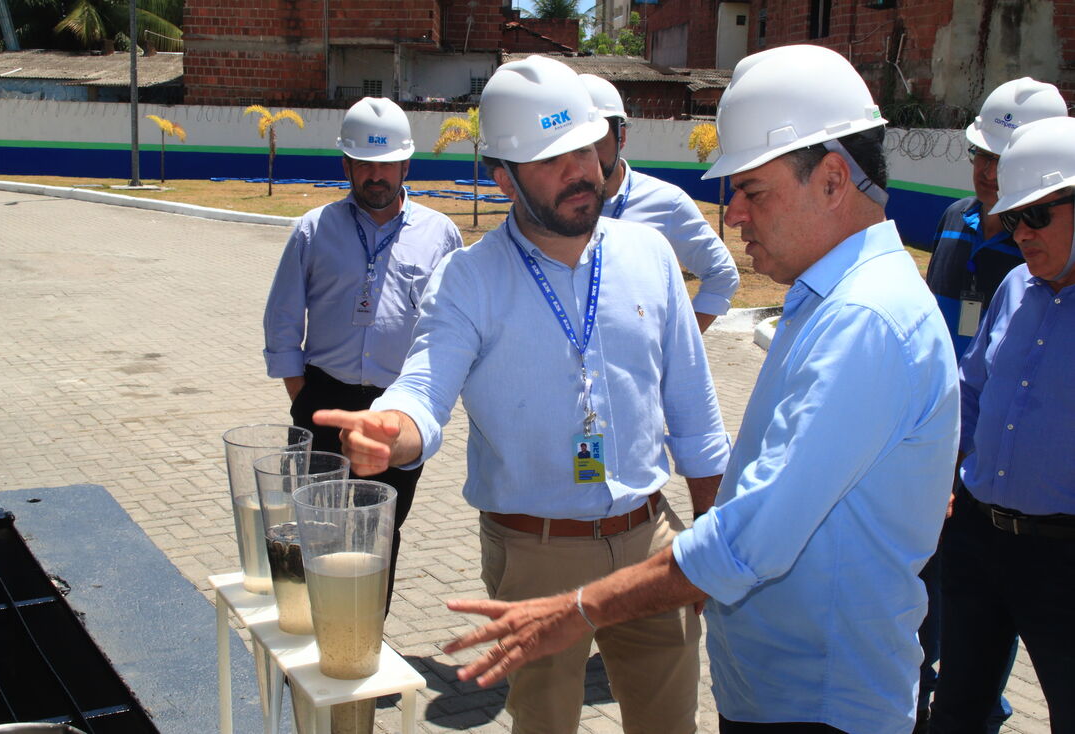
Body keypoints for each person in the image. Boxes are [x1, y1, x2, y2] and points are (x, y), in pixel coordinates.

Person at [444, 44, 959, 734]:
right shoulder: (832, 302)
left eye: (753, 190)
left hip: (818, 706)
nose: (735, 214)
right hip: (788, 694)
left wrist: (578, 609)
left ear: (834, 179)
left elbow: (751, 541)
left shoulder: (863, 322)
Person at [315, 55, 730, 734]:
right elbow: (425, 385)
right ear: (502, 176)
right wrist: (394, 427)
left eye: (585, 148)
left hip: (652, 540)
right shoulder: (469, 279)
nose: (579, 171)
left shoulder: (650, 255)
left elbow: (696, 417)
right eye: (550, 159)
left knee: (670, 725)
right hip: (536, 555)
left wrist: (708, 539)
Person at [262, 96, 463, 608]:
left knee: (380, 538)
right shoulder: (313, 229)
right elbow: (283, 320)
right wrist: (302, 397)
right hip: (322, 401)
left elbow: (456, 327)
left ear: (406, 164)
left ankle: (364, 648)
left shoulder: (441, 236)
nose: (376, 176)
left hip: (399, 409)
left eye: (387, 163)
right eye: (364, 164)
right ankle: (311, 648)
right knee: (317, 532)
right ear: (346, 165)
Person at [915, 77, 1067, 732]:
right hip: (977, 538)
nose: (1017, 229)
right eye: (1013, 214)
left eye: (1036, 215)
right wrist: (944, 474)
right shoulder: (1014, 289)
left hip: (1061, 558)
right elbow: (973, 393)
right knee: (958, 709)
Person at [579, 73, 739, 331]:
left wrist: (680, 343)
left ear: (622, 136)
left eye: (596, 142)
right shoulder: (549, 207)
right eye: (574, 145)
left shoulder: (666, 203)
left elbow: (722, 275)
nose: (584, 158)